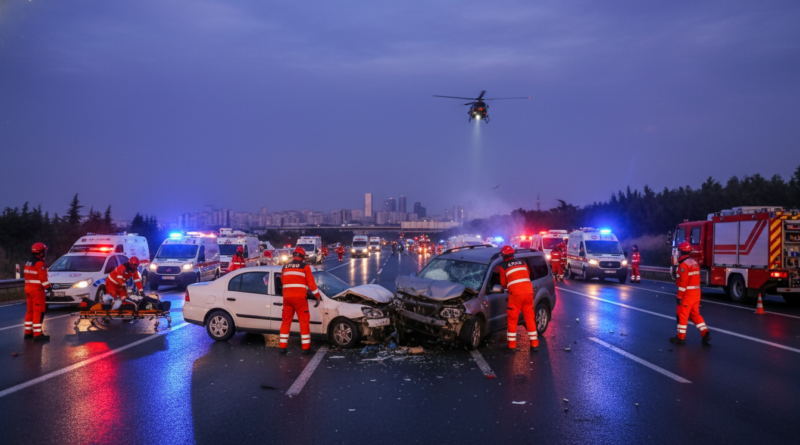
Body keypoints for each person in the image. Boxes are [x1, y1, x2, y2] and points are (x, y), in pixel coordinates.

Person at [494, 246, 539, 351]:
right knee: (529, 319)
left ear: (503, 255)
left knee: (512, 319)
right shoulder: (522, 262)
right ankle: (534, 344)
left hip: (516, 295)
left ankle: (512, 345)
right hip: (528, 292)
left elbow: (504, 284)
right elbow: (527, 275)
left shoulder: (503, 266)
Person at [279, 247, 321, 354]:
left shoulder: (285, 267)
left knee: (286, 321)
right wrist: (317, 296)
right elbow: (311, 284)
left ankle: (282, 347)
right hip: (300, 299)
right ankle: (306, 348)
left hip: (287, 298)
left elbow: (283, 282)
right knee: (304, 322)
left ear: (293, 255)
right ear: (302, 256)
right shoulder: (305, 267)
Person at [671, 242, 711, 345]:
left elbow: (683, 282)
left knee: (682, 315)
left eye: (679, 251)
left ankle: (681, 337)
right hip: (696, 293)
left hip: (687, 294)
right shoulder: (694, 263)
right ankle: (705, 333)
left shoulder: (683, 265)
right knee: (695, 314)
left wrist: (679, 295)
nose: (678, 253)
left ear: (682, 251)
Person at [24, 243, 52, 341]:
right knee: (38, 311)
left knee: (30, 311)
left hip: (28, 289)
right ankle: (37, 333)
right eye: (44, 252)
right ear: (40, 253)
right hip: (37, 291)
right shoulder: (40, 264)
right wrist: (49, 288)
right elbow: (43, 278)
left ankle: (28, 332)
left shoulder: (28, 262)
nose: (45, 254)